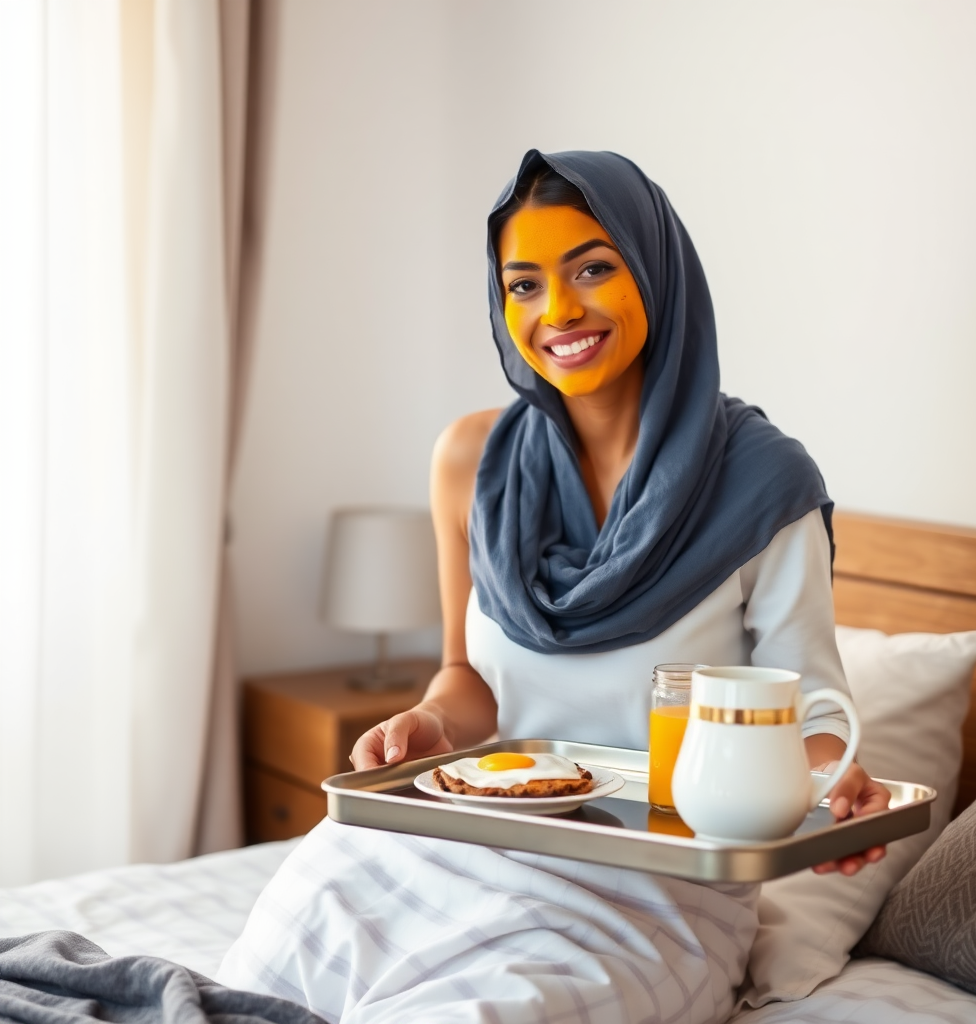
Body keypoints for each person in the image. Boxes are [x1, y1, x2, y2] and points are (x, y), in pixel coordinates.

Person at [217, 150, 889, 1024]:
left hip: (649, 895)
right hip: (448, 843)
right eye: (524, 284)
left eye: (594, 270)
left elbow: (811, 712)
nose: (558, 311)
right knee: (238, 999)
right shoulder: (469, 460)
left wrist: (835, 785)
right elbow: (469, 684)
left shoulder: (763, 483)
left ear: (657, 273)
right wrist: (425, 722)